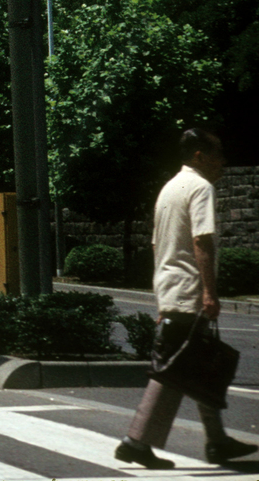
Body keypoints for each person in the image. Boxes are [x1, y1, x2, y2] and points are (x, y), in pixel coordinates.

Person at [116, 128, 255, 468]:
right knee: (174, 368)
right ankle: (136, 441)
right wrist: (210, 291)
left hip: (171, 287)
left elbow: (157, 245)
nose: (223, 161)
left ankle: (217, 441)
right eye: (217, 154)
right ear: (199, 155)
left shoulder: (169, 188)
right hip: (190, 290)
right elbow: (201, 241)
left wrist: (162, 296)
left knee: (196, 362)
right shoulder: (200, 187)